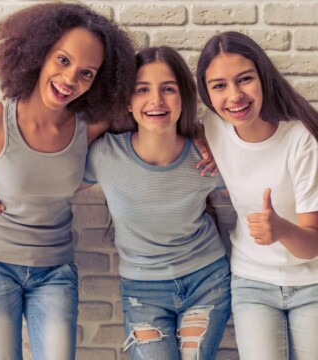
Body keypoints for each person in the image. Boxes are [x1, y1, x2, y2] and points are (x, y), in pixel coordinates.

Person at [0, 3, 137, 359]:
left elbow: (154, 116)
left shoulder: (90, 128)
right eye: (63, 60)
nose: (70, 79)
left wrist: (200, 140)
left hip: (55, 271)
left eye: (87, 73)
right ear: (40, 53)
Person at [80, 46, 231, 359]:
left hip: (207, 281)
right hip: (142, 291)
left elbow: (261, 182)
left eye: (168, 89)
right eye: (142, 90)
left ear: (183, 98)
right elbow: (45, 187)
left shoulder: (208, 157)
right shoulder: (105, 155)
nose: (156, 101)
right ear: (127, 101)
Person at [196, 31, 318, 360]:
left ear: (263, 78)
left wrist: (281, 229)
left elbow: (312, 245)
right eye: (219, 85)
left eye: (245, 79)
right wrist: (202, 147)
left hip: (311, 283)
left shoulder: (301, 140)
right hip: (251, 281)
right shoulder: (212, 125)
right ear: (207, 95)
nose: (234, 96)